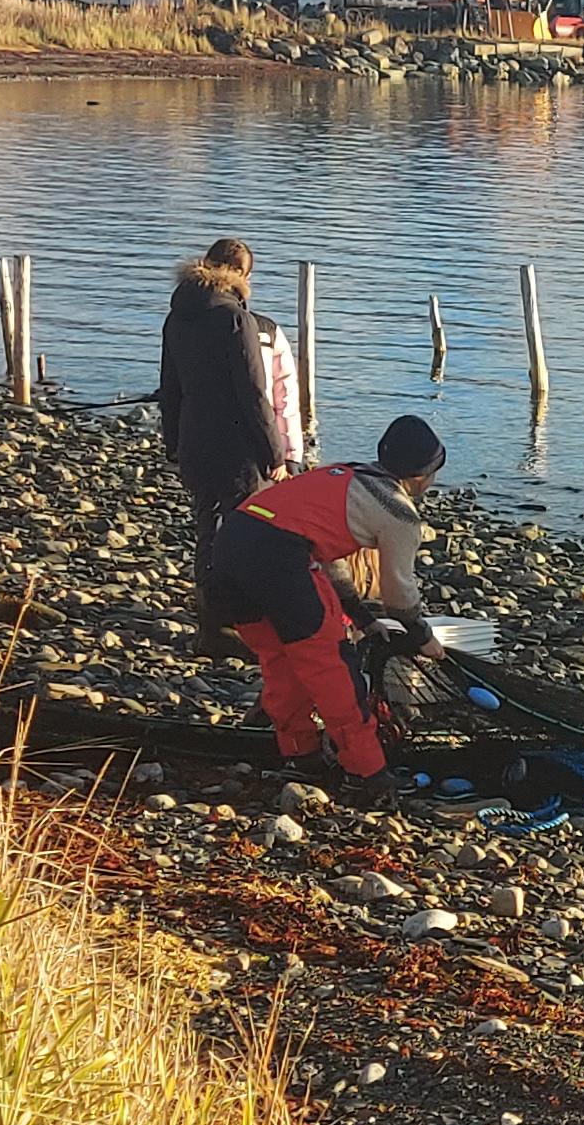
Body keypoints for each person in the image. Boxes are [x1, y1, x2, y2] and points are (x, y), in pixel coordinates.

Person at [200, 416, 447, 802]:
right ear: (423, 477)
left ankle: (301, 755)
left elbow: (320, 548)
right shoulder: (400, 513)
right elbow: (399, 592)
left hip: (229, 547)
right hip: (278, 561)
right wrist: (420, 635)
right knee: (332, 667)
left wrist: (362, 618)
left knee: (281, 661)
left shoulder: (342, 473)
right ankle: (366, 775)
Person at [156, 239, 297, 647]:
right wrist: (276, 453)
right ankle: (242, 625)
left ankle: (210, 624)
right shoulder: (237, 320)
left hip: (194, 439)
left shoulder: (177, 316)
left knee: (208, 526)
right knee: (246, 533)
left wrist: (173, 442)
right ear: (242, 275)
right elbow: (255, 394)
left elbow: (171, 387)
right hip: (237, 447)